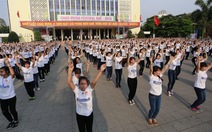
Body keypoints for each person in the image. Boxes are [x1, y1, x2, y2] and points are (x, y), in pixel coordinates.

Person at [67, 63, 106, 132]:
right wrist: (70, 71)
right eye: (81, 84)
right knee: (81, 130)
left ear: (87, 84)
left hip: (89, 114)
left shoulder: (89, 89)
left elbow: (94, 81)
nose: (83, 85)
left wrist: (100, 71)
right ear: (79, 84)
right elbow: (69, 82)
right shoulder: (76, 90)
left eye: (85, 84)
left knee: (89, 130)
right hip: (79, 115)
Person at [147, 56, 173, 126]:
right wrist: (151, 62)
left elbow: (165, 67)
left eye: (159, 70)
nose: (159, 71)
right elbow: (151, 70)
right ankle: (149, 118)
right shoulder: (151, 77)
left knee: (157, 109)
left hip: (159, 96)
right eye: (158, 71)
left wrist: (170, 60)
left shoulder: (160, 76)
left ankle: (154, 117)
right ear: (155, 72)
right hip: (152, 95)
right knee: (153, 108)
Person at [0, 56, 19, 129]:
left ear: (7, 72)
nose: (0, 73)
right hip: (2, 98)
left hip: (11, 97)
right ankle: (11, 121)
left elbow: (12, 73)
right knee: (4, 112)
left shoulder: (10, 78)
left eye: (2, 71)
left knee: (12, 110)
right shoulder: (0, 78)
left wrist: (8, 64)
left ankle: (16, 120)